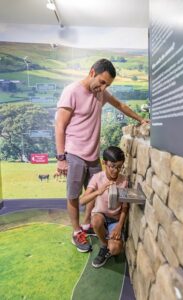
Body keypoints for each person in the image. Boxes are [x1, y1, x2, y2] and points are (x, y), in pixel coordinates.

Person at [55, 58, 148, 253]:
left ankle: (87, 224)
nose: (103, 87)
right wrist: (61, 158)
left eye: (107, 84)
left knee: (96, 193)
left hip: (93, 155)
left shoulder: (101, 93)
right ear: (92, 73)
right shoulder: (71, 91)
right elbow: (60, 126)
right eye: (102, 82)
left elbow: (120, 105)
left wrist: (141, 119)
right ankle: (76, 232)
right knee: (74, 196)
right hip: (74, 153)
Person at [80, 146, 128, 268]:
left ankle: (109, 243)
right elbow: (82, 201)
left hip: (115, 220)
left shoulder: (124, 181)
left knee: (116, 249)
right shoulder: (97, 177)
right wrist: (98, 192)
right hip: (100, 216)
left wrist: (119, 226)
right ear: (104, 162)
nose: (115, 171)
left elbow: (125, 207)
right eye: (112, 166)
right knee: (96, 221)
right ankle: (103, 244)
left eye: (119, 167)